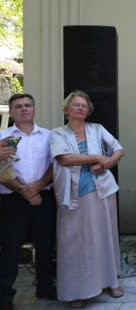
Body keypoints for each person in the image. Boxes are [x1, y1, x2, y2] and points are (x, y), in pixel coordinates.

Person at [49, 91, 124, 307]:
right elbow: (65, 159)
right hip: (72, 195)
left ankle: (110, 281)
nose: (80, 109)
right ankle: (77, 290)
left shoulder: (97, 129)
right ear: (66, 109)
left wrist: (108, 163)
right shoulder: (57, 134)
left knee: (104, 236)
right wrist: (97, 157)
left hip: (102, 191)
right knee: (75, 242)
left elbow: (119, 149)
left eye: (84, 106)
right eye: (75, 105)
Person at [0, 94, 55, 307]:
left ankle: (45, 286)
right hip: (12, 200)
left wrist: (38, 187)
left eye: (28, 105)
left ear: (34, 109)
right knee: (10, 248)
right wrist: (25, 192)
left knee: (45, 244)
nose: (24, 109)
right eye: (18, 106)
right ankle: (5, 295)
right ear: (11, 112)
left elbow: (54, 165)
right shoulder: (2, 137)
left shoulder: (49, 136)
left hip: (44, 197)